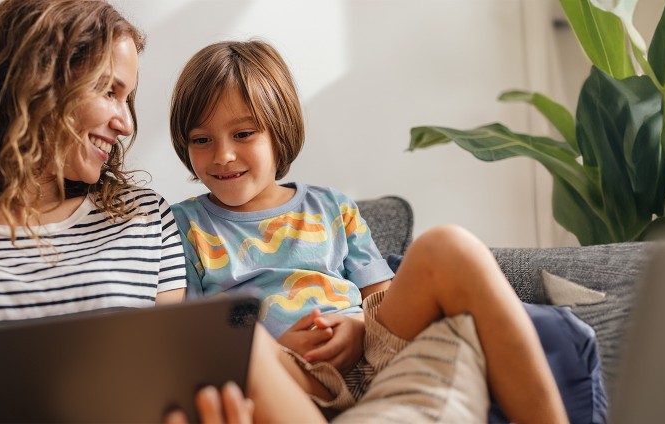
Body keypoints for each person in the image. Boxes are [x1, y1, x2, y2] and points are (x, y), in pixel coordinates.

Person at [0, 2, 322, 423]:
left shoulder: (143, 219)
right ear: (35, 82)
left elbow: (180, 377)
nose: (127, 122)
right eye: (109, 91)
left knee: (246, 341)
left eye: (128, 97)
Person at [167, 39, 569, 423]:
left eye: (243, 133)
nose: (222, 155)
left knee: (449, 245)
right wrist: (275, 351)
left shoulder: (331, 206)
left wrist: (358, 328)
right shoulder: (182, 225)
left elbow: (380, 298)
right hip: (283, 377)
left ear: (279, 130)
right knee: (243, 344)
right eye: (201, 139)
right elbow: (197, 341)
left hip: (373, 354)